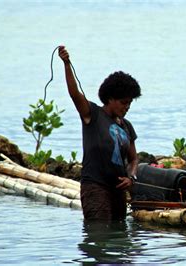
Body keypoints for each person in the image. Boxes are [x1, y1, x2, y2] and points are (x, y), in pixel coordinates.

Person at [58, 46, 141, 221]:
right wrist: (66, 64)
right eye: (123, 102)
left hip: (118, 191)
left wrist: (131, 178)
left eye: (130, 103)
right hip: (95, 188)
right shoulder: (92, 115)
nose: (127, 107)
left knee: (119, 236)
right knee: (99, 235)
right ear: (110, 99)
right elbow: (74, 94)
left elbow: (133, 159)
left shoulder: (127, 126)